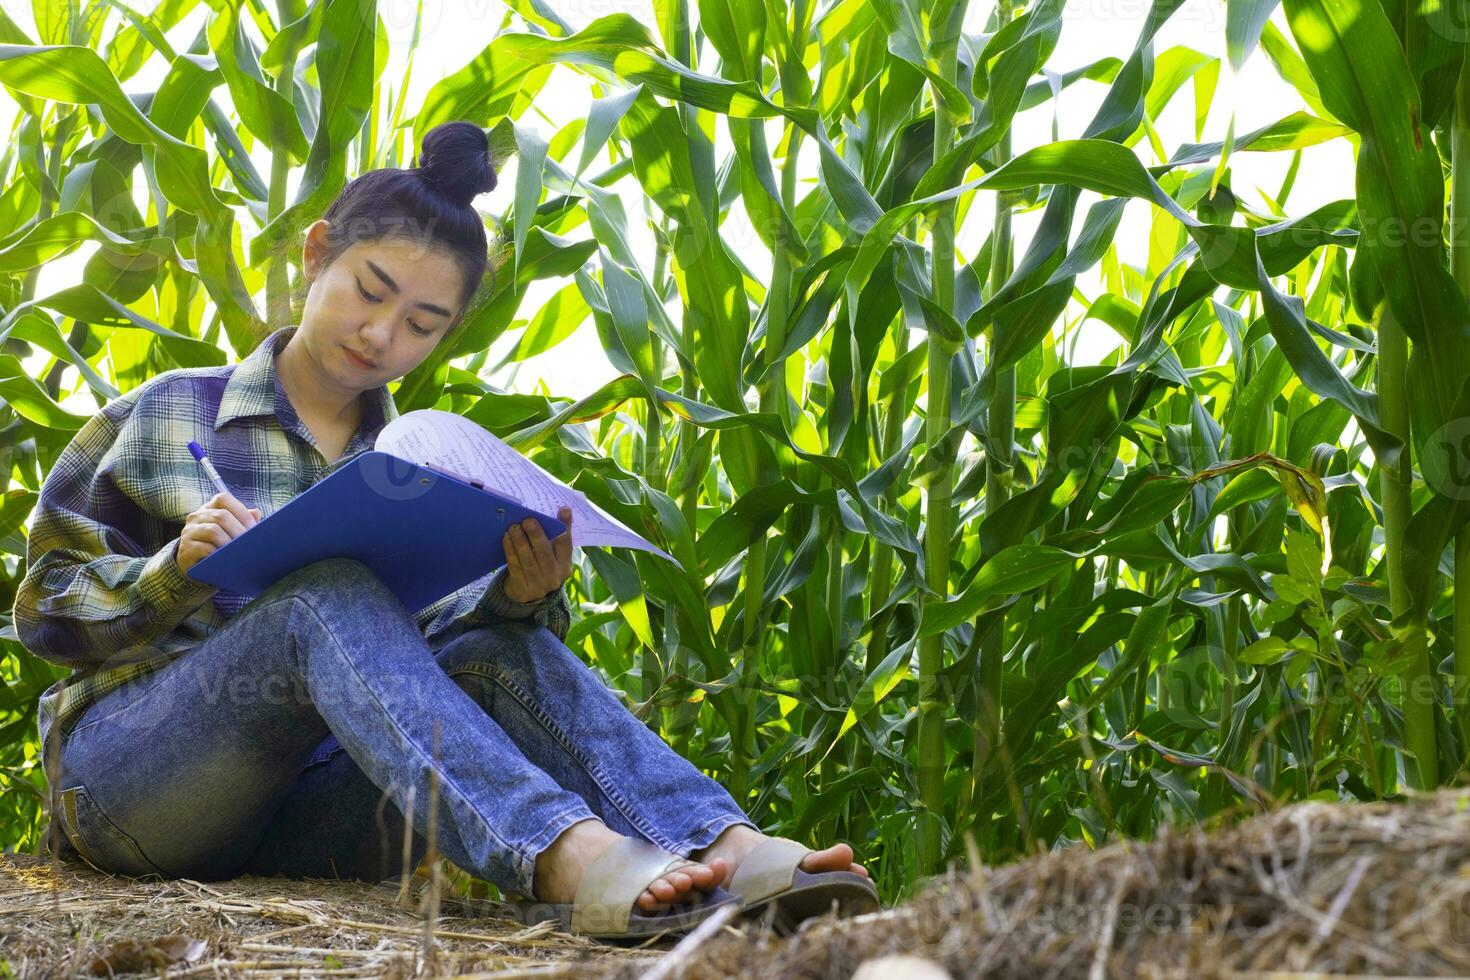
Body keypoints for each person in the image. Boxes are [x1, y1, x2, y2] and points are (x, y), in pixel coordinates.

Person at [13, 121, 874, 939]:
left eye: (422, 325)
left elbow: (440, 675)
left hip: (316, 816)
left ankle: (718, 841)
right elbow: (42, 610)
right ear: (318, 255)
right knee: (326, 594)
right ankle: (565, 859)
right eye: (369, 291)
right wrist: (173, 570)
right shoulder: (170, 412)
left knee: (495, 651)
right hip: (136, 789)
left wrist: (518, 596)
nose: (382, 334)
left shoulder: (420, 466)